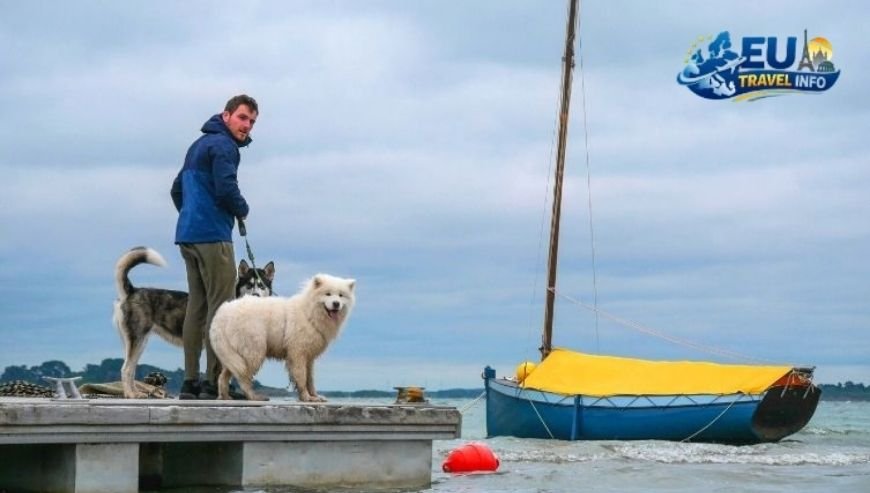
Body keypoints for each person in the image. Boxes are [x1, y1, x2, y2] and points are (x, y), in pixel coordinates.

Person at [170, 94, 258, 399]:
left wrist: (190, 214)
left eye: (252, 122)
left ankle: (190, 383)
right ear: (226, 115)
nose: (247, 126)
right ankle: (215, 383)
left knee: (197, 307)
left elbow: (176, 190)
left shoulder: (198, 146)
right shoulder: (224, 146)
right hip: (213, 236)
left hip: (188, 235)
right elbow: (226, 188)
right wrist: (242, 209)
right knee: (222, 310)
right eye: (243, 118)